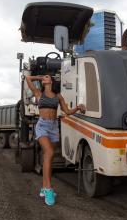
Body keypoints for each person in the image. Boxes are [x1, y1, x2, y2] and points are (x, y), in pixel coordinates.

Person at [25, 74, 85, 206]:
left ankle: (43, 187)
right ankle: (48, 189)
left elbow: (67, 112)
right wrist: (41, 77)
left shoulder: (58, 96)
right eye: (44, 78)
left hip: (54, 127)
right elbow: (28, 78)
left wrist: (78, 107)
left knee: (49, 157)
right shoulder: (39, 93)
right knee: (50, 153)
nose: (44, 78)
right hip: (42, 126)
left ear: (51, 81)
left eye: (47, 77)